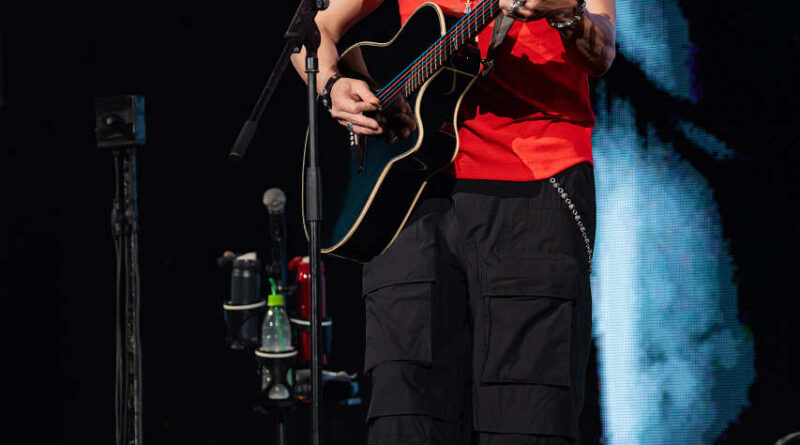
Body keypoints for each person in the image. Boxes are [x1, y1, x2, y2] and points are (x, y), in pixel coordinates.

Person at [292, 0, 615, 443]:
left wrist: (566, 12)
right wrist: (332, 85)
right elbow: (310, 32)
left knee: (527, 419)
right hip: (408, 194)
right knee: (404, 418)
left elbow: (602, 50)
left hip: (535, 183)